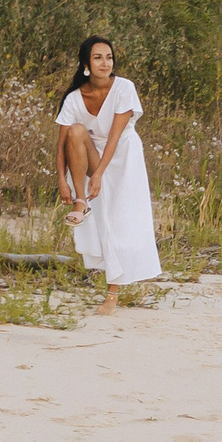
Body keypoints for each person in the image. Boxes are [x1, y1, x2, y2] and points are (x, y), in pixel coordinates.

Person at [53, 36, 161, 315]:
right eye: (98, 57)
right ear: (86, 63)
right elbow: (63, 141)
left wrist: (99, 174)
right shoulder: (74, 98)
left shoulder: (124, 88)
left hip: (123, 156)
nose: (105, 63)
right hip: (89, 155)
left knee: (117, 222)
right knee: (77, 130)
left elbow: (114, 136)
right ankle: (81, 201)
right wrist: (61, 179)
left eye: (109, 57)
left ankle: (112, 294)